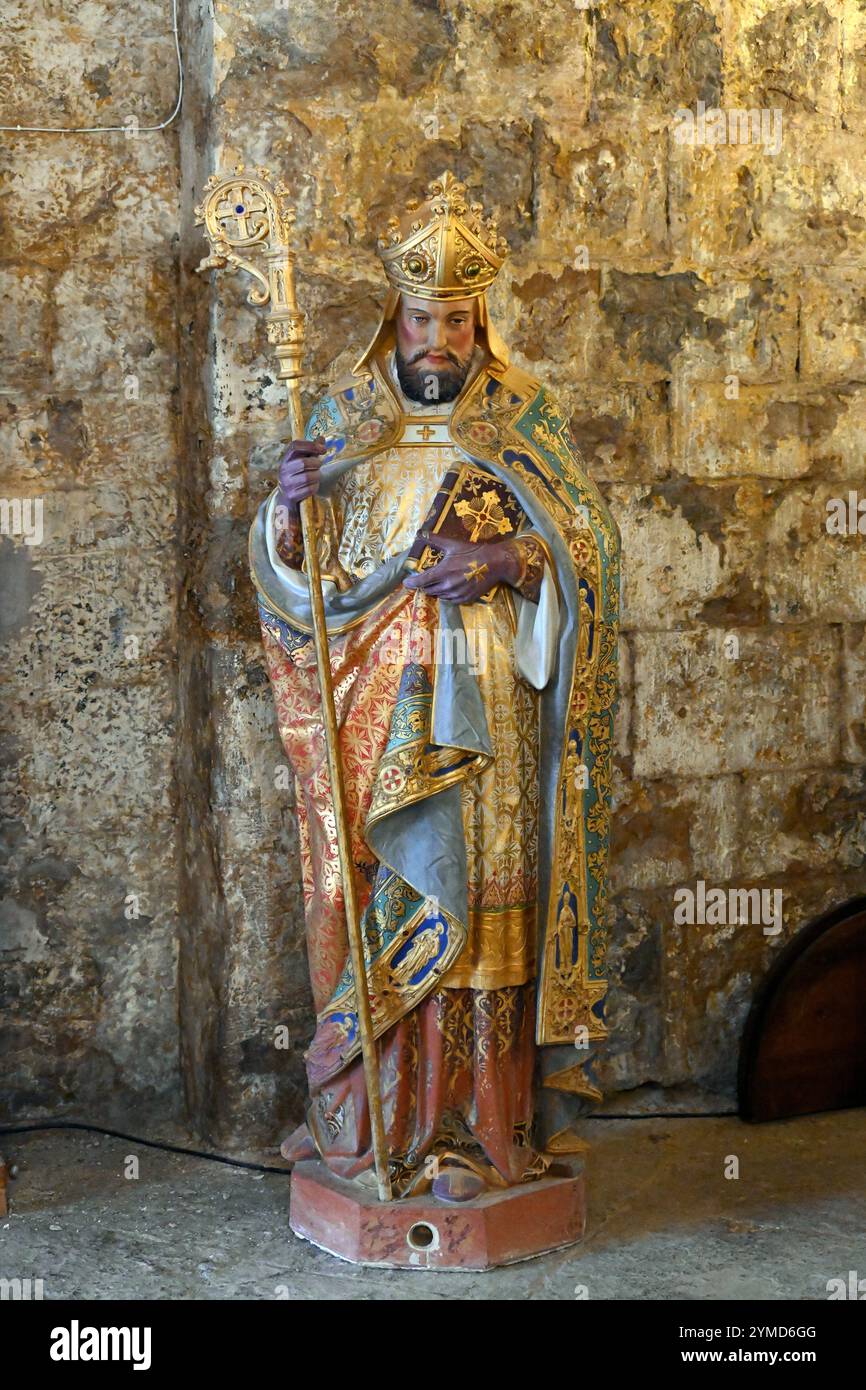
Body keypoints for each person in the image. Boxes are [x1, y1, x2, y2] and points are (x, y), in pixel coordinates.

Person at [249, 171, 620, 1196]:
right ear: (395, 316)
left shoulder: (520, 416)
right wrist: (289, 511)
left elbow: (585, 550)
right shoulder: (340, 413)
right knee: (382, 898)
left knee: (480, 913)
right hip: (373, 713)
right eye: (421, 318)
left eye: (457, 319)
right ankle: (369, 1135)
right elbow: (300, 586)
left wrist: (504, 564)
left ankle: (481, 1135)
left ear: (479, 317)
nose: (438, 341)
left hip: (485, 712)